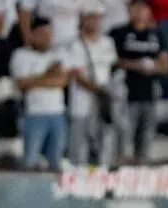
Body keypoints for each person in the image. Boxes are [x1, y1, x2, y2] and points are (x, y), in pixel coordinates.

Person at [112, 0, 168, 163]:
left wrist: (152, 66)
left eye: (142, 9)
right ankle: (121, 171)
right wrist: (137, 65)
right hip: (126, 94)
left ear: (149, 12)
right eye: (135, 8)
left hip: (150, 93)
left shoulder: (157, 34)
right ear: (129, 11)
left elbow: (166, 65)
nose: (138, 13)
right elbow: (112, 61)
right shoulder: (119, 33)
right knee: (124, 139)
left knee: (146, 139)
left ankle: (141, 172)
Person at [10, 16, 68, 170]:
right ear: (32, 34)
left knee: (56, 160)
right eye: (43, 33)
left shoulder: (58, 54)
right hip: (34, 114)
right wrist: (47, 74)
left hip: (58, 113)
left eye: (50, 34)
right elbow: (20, 84)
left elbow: (61, 82)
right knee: (30, 159)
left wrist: (35, 81)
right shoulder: (21, 55)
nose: (47, 38)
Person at [65, 3, 118, 167]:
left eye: (98, 18)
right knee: (79, 149)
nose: (95, 22)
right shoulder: (73, 45)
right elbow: (76, 75)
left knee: (103, 148)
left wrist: (107, 93)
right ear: (82, 19)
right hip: (81, 103)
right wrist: (99, 91)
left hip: (103, 105)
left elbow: (112, 68)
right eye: (91, 18)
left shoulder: (108, 43)